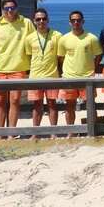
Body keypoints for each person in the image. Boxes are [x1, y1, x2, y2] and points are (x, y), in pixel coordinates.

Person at [0, 0, 33, 134]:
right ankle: (0, 133)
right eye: (7, 8)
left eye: (12, 8)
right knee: (0, 101)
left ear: (16, 8)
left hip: (19, 68)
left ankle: (11, 133)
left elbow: (33, 42)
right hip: (1, 69)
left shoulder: (26, 23)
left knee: (14, 101)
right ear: (3, 10)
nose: (10, 10)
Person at [57, 10, 103, 127]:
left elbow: (99, 55)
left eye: (78, 20)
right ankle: (70, 132)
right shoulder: (64, 39)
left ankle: (93, 130)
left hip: (87, 78)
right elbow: (61, 57)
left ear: (83, 22)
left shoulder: (91, 38)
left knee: (90, 105)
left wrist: (92, 68)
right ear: (69, 22)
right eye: (73, 20)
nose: (76, 22)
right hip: (69, 78)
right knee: (70, 106)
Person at [24, 8, 62, 137]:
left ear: (48, 20)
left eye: (43, 19)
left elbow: (61, 57)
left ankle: (53, 133)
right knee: (37, 105)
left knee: (52, 104)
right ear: (34, 21)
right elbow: (29, 57)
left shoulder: (57, 35)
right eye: (38, 19)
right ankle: (35, 133)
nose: (41, 21)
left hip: (52, 76)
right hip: (35, 77)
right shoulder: (29, 38)